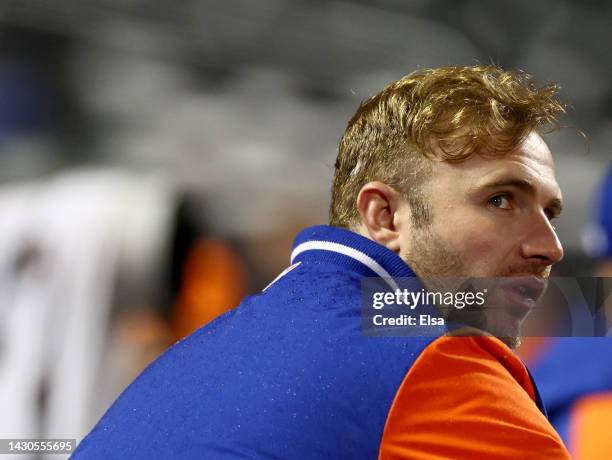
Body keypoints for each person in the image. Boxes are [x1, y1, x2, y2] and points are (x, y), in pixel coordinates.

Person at [72, 66, 571, 459]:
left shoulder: (197, 354)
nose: (550, 247)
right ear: (384, 216)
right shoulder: (437, 362)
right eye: (501, 201)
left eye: (550, 213)